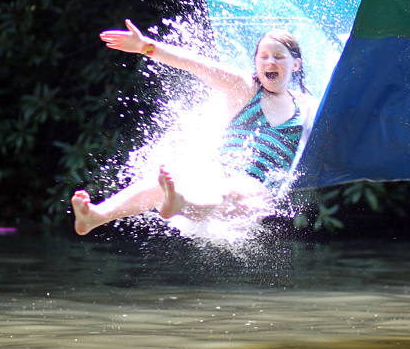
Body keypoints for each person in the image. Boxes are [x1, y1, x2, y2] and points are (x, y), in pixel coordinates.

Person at [71, 19, 316, 236]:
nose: (269, 62)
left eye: (278, 56)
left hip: (255, 193)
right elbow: (196, 64)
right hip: (219, 172)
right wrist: (145, 46)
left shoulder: (308, 108)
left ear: (296, 65)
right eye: (263, 57)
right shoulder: (245, 88)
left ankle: (181, 204)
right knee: (177, 172)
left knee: (241, 190)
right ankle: (96, 215)